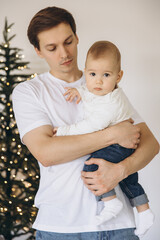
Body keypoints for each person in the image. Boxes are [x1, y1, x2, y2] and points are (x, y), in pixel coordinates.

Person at [12, 6, 159, 240]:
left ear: (77, 37)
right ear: (38, 51)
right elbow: (47, 152)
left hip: (119, 226)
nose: (64, 53)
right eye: (52, 48)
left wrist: (121, 170)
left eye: (68, 42)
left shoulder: (105, 80)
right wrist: (113, 134)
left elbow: (151, 145)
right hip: (62, 228)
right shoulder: (29, 92)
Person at [55, 40, 154, 236]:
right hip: (121, 140)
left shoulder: (112, 102)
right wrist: (79, 91)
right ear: (86, 73)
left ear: (119, 76)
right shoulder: (99, 90)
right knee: (129, 179)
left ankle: (110, 202)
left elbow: (92, 127)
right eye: (92, 74)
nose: (98, 81)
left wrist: (63, 131)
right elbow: (90, 91)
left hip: (120, 144)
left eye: (106, 75)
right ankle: (144, 210)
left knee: (92, 166)